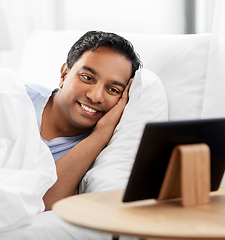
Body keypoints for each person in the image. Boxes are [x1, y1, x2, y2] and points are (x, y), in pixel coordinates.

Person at [25, 30, 142, 210]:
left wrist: (102, 133)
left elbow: (42, 204)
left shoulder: (97, 154)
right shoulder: (19, 98)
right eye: (87, 78)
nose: (96, 97)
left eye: (113, 90)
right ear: (64, 74)